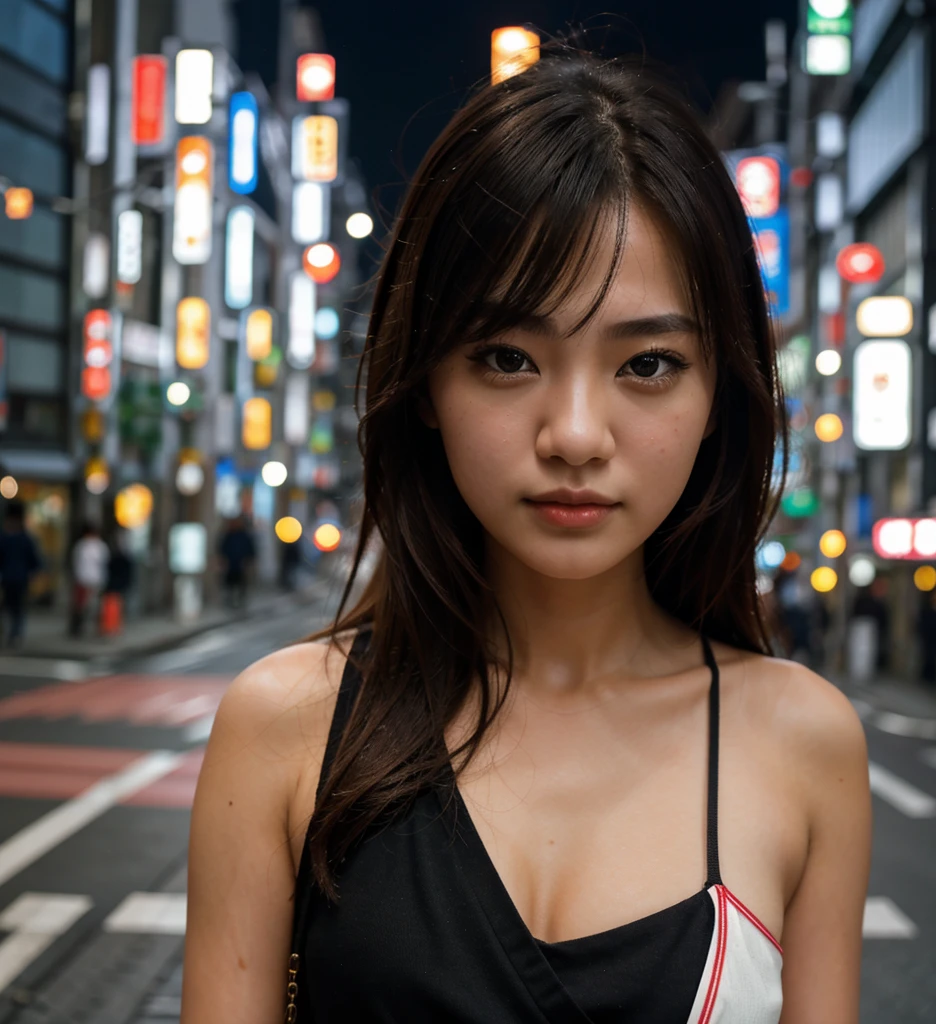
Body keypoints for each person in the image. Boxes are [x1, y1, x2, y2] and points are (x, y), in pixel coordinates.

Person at [183, 48, 870, 1024]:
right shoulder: (287, 728)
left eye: (648, 364)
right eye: (507, 357)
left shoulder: (802, 742)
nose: (577, 435)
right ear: (424, 383)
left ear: (721, 393)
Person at [0, 502, 42, 647]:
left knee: (14, 608)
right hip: (15, 578)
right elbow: (36, 561)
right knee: (15, 608)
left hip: (12, 578)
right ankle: (14, 634)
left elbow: (35, 561)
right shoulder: (23, 539)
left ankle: (14, 634)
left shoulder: (10, 538)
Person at [69, 522, 109, 637]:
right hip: (83, 579)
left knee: (94, 606)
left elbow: (103, 563)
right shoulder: (83, 546)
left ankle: (97, 629)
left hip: (94, 580)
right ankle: (78, 629)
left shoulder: (99, 546)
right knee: (80, 606)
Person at [218, 516, 256, 609]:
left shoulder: (244, 536)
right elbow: (222, 549)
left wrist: (248, 561)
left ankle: (240, 600)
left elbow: (250, 549)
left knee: (241, 583)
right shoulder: (228, 535)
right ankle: (230, 600)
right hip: (231, 564)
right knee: (230, 583)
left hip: (241, 564)